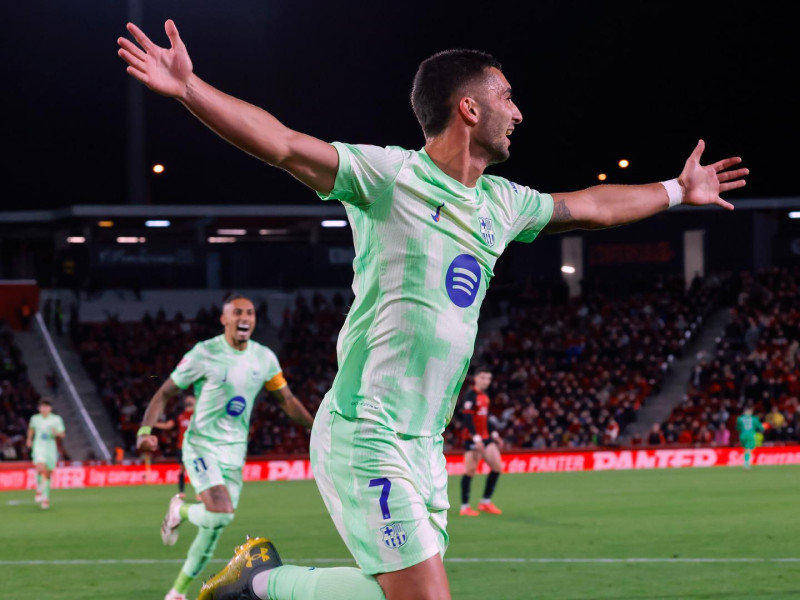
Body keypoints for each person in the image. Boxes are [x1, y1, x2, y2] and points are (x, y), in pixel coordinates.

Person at [117, 20, 747, 600]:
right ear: (468, 107)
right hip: (367, 428)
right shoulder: (391, 177)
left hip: (426, 442)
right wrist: (189, 88)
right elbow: (283, 145)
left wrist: (676, 191)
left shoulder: (503, 204)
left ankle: (262, 582)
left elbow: (592, 206)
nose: (518, 112)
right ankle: (263, 586)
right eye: (507, 96)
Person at [134, 295, 314, 600]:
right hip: (202, 444)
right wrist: (144, 431)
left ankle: (176, 594)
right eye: (237, 313)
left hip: (234, 451)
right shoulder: (204, 353)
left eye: (250, 313)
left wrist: (315, 428)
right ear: (224, 319)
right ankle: (180, 509)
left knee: (213, 530)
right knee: (221, 514)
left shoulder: (264, 358)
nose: (245, 317)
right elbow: (165, 393)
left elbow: (287, 400)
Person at [458, 366, 504, 516]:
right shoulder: (470, 395)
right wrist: (476, 438)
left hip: (486, 438)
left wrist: (495, 434)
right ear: (476, 378)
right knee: (470, 471)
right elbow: (467, 419)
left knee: (497, 467)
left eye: (489, 378)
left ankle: (485, 502)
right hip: (472, 439)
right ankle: (465, 506)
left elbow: (484, 418)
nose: (487, 381)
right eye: (484, 378)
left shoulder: (485, 396)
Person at [25, 397, 65, 510]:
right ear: (39, 408)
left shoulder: (56, 419)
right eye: (42, 407)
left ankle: (45, 498)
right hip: (38, 446)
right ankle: (39, 489)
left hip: (50, 448)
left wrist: (56, 432)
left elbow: (62, 434)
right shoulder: (35, 419)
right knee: (40, 467)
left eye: (46, 407)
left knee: (47, 473)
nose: (44, 409)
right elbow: (31, 429)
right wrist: (29, 439)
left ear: (50, 408)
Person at [736, 403, 764, 470]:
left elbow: (737, 428)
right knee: (748, 449)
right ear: (750, 411)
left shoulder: (739, 418)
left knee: (746, 449)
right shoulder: (754, 418)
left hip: (742, 435)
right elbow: (760, 427)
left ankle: (746, 461)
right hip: (750, 435)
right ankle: (746, 464)